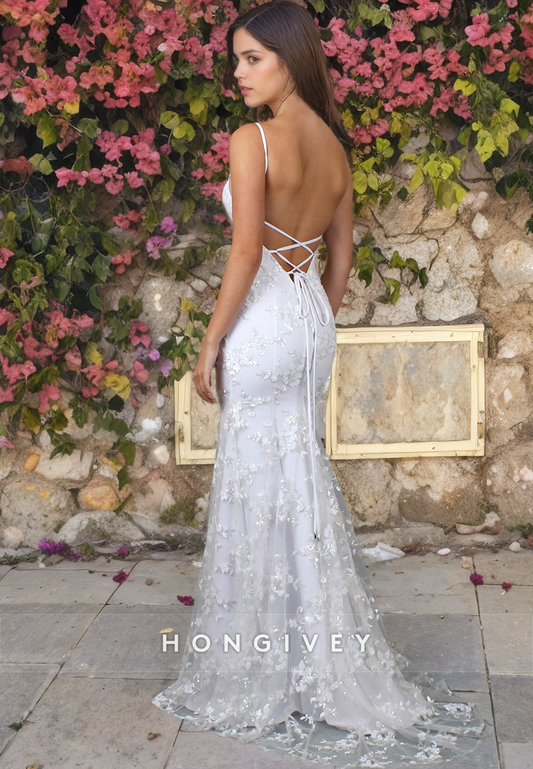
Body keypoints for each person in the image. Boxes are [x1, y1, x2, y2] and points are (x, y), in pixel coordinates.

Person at [152, 2, 488, 764]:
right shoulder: (335, 148)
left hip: (263, 322)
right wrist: (310, 323)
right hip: (308, 323)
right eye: (235, 60)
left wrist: (210, 342)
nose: (238, 74)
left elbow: (245, 253)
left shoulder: (252, 140)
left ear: (290, 58)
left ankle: (264, 667)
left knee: (257, 483)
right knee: (297, 478)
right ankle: (313, 658)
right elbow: (340, 258)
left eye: (251, 59)